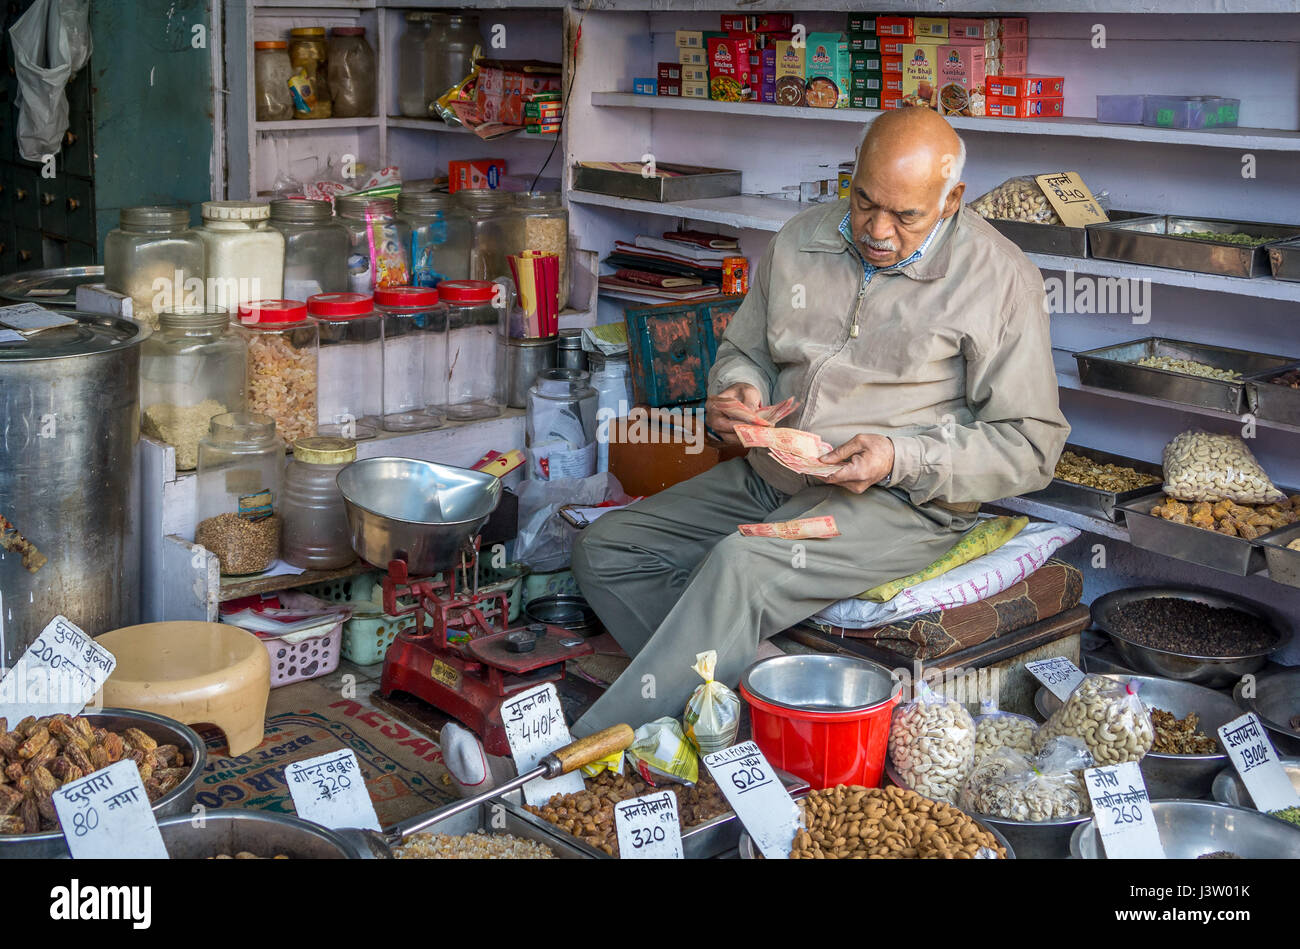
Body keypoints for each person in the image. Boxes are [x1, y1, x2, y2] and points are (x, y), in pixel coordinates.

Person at [569, 107, 1069, 737]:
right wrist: (735, 393)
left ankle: (587, 757)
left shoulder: (999, 278)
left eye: (905, 215)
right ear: (851, 177)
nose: (876, 229)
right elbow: (743, 350)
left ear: (951, 201)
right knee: (606, 548)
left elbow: (1030, 445)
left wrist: (899, 457)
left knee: (740, 565)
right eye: (863, 200)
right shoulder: (801, 239)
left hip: (899, 504)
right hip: (771, 476)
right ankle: (747, 703)